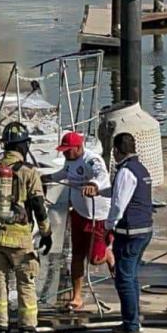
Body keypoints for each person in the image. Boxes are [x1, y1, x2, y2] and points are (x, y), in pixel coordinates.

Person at [0, 122, 52, 333]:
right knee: (25, 282)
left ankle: (0, 328)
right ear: (24, 145)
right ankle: (27, 330)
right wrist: (46, 232)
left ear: (5, 145)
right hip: (21, 240)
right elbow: (37, 204)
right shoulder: (29, 172)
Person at [45, 131, 114, 312]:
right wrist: (47, 178)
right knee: (76, 256)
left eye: (68, 150)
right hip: (78, 214)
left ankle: (108, 254)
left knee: (95, 259)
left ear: (78, 147)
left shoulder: (93, 160)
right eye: (64, 151)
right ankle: (77, 297)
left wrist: (94, 185)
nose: (65, 153)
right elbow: (64, 173)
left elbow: (102, 176)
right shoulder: (70, 160)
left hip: (97, 215)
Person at [104, 133, 153, 333]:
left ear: (116, 150)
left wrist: (108, 226)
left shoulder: (125, 171)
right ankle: (132, 320)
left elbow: (118, 204)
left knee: (123, 279)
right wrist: (100, 190)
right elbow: (122, 194)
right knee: (131, 278)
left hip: (130, 233)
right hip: (144, 230)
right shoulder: (141, 169)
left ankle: (132, 328)